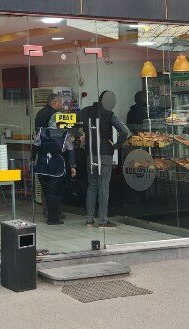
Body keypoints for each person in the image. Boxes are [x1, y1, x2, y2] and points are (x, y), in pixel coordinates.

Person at [81, 91, 131, 228]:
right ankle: (102, 220)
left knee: (92, 185)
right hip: (104, 154)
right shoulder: (109, 114)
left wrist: (82, 135)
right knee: (103, 186)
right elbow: (125, 132)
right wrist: (116, 146)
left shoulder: (86, 111)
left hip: (90, 153)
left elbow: (73, 124)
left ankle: (89, 220)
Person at [34, 116, 77, 225]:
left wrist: (33, 161)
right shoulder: (65, 134)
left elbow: (35, 147)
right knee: (56, 193)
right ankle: (53, 218)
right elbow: (71, 150)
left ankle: (51, 215)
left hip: (42, 166)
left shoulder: (41, 132)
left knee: (47, 193)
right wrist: (72, 166)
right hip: (56, 167)